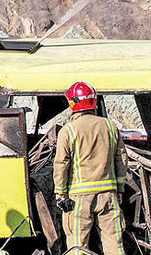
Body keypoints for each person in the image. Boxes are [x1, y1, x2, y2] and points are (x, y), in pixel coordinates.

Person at [53, 81, 128, 255]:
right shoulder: (110, 127)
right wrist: (120, 188)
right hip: (108, 194)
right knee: (114, 245)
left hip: (79, 198)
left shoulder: (68, 131)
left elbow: (61, 164)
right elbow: (121, 158)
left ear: (73, 103)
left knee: (78, 246)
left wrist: (60, 195)